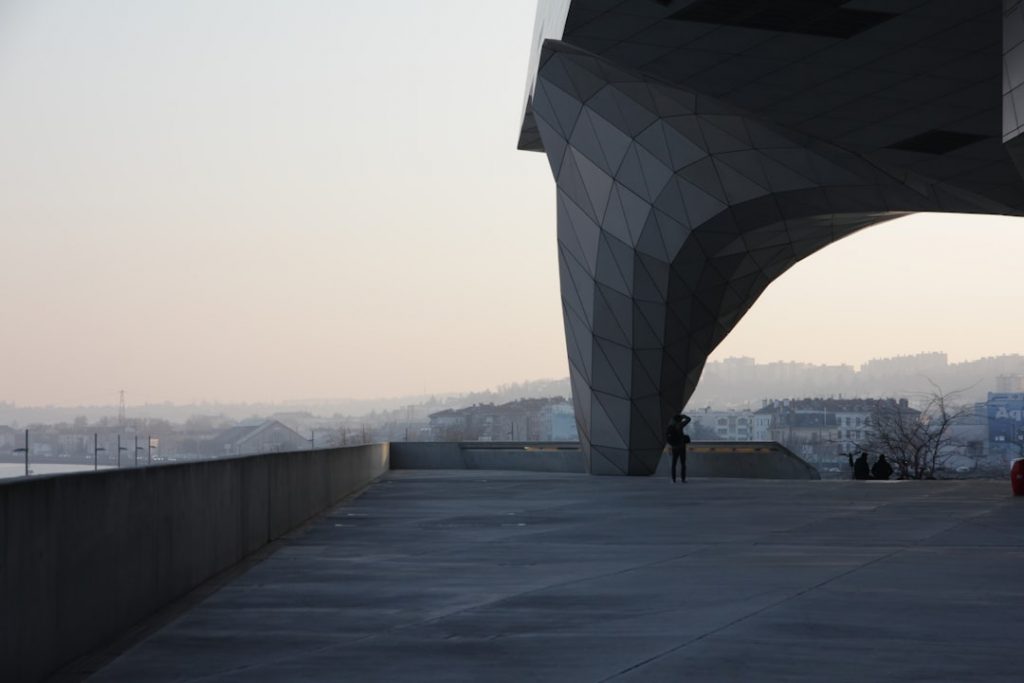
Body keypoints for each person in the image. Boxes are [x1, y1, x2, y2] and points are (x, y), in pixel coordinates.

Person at [665, 413, 692, 483]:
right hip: (681, 446)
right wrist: (684, 416)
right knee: (683, 464)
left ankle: (673, 479)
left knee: (674, 464)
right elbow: (689, 419)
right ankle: (683, 479)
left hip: (674, 447)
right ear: (680, 420)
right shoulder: (680, 425)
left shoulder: (670, 426)